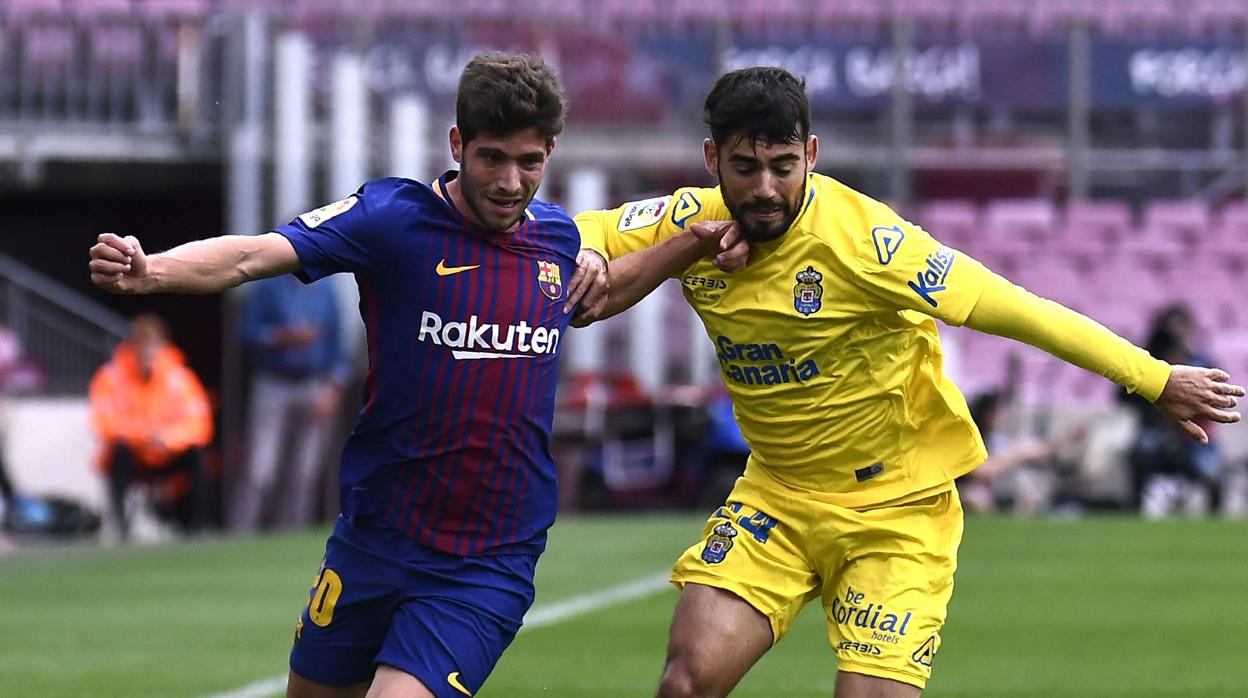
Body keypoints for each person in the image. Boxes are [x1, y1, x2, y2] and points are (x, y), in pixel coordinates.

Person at [574, 67, 1243, 697]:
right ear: (712, 159)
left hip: (898, 509)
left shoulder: (870, 244)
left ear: (811, 152)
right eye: (746, 169)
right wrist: (587, 251)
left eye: (784, 167)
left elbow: (1019, 310)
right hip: (778, 496)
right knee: (685, 683)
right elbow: (590, 227)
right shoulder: (692, 221)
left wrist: (1154, 378)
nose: (767, 189)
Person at [88, 52, 726, 698]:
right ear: (457, 144)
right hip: (374, 539)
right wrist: (155, 270)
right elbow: (257, 253)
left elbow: (603, 295)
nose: (510, 181)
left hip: (487, 560)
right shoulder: (392, 218)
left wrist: (690, 245)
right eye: (492, 158)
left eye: (529, 162)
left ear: (551, 151)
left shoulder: (560, 242)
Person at [233, 274, 350, 530]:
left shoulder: (326, 287)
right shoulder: (268, 284)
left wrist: (333, 387)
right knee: (259, 467)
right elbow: (247, 331)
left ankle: (289, 537)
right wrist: (280, 337)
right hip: (273, 382)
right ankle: (240, 534)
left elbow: (337, 343)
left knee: (304, 472)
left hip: (313, 383)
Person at [88, 314, 213, 540]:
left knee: (196, 456)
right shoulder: (111, 377)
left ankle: (196, 526)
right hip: (132, 456)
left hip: (166, 453)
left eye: (153, 345)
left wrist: (167, 438)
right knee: (119, 452)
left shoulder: (179, 377)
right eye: (142, 345)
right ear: (132, 347)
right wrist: (145, 436)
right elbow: (103, 423)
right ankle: (121, 528)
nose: (148, 352)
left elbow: (200, 423)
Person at [1123, 304, 1223, 517]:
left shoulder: (1202, 363)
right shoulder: (1148, 360)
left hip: (1194, 436)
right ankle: (1137, 508)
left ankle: (1215, 519)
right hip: (1157, 431)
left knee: (1212, 470)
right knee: (1143, 448)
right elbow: (1123, 397)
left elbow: (1219, 398)